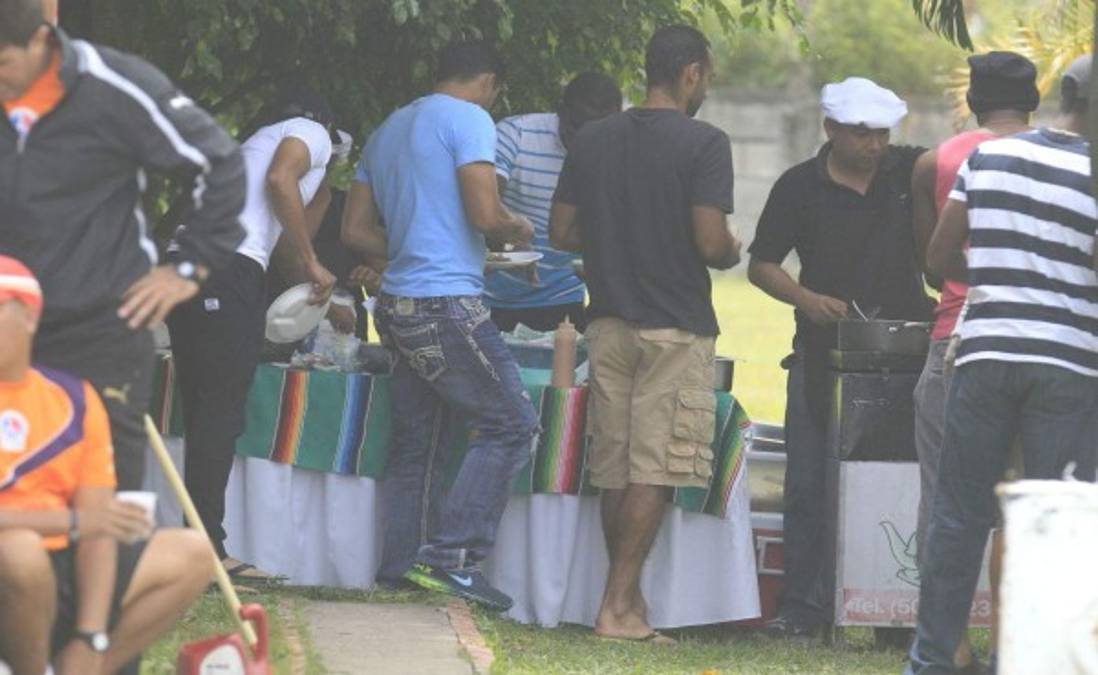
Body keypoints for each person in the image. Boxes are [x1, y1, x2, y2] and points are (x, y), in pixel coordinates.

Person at [0, 0, 246, 490]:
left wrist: (189, 267)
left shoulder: (113, 84)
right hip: (9, 326)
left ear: (42, 41)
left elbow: (218, 162)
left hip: (99, 327)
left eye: (3, 63)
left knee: (107, 494)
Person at [908, 54, 1098, 675]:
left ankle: (931, 660)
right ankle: (1034, 661)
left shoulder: (989, 158)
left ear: (1061, 94)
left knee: (958, 514)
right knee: (1055, 521)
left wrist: (995, 281)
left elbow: (939, 257)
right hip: (1068, 364)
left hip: (986, 354)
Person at [550, 24, 741, 642]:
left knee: (615, 467)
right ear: (690, 73)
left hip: (606, 323)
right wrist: (731, 249)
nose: (705, 87)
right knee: (654, 468)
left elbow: (561, 232)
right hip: (674, 328)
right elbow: (710, 242)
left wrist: (618, 234)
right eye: (706, 76)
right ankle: (616, 607)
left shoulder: (593, 138)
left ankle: (627, 604)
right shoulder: (705, 142)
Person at [341, 39, 538, 611]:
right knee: (511, 424)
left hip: (397, 303)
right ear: (490, 82)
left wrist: (414, 246)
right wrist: (517, 228)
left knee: (420, 441)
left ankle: (402, 567)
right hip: (445, 302)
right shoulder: (471, 118)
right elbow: (485, 214)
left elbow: (355, 231)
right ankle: (452, 558)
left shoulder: (388, 129)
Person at [747, 77, 932, 640]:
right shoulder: (798, 186)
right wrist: (805, 299)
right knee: (808, 483)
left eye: (882, 133)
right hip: (821, 352)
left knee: (899, 481)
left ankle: (894, 612)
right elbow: (762, 264)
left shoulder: (908, 172)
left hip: (904, 352)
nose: (874, 145)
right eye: (860, 133)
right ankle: (804, 609)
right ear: (830, 129)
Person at [0, 256, 213, 675]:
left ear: (29, 317)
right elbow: (87, 520)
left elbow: (98, 527)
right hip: (14, 563)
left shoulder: (74, 400)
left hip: (61, 565)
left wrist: (91, 634)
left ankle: (83, 666)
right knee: (20, 550)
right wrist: (74, 521)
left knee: (192, 553)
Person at [166, 84, 338, 582]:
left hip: (187, 265)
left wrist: (310, 275)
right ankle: (205, 552)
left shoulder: (252, 147)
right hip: (225, 269)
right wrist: (312, 260)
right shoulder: (309, 132)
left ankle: (195, 546)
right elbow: (283, 179)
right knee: (219, 413)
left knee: (204, 413)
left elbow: (279, 242)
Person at [909, 51, 1038, 673]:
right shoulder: (1061, 162)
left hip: (955, 338)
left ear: (972, 101)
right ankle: (1014, 643)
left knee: (945, 499)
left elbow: (932, 264)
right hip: (1037, 347)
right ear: (1033, 103)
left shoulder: (934, 162)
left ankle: (951, 644)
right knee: (1024, 501)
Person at [485, 72, 623, 333]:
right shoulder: (517, 134)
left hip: (563, 296)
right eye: (577, 128)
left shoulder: (618, 152)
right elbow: (484, 205)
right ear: (560, 111)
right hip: (493, 298)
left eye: (598, 132)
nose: (585, 140)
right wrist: (508, 238)